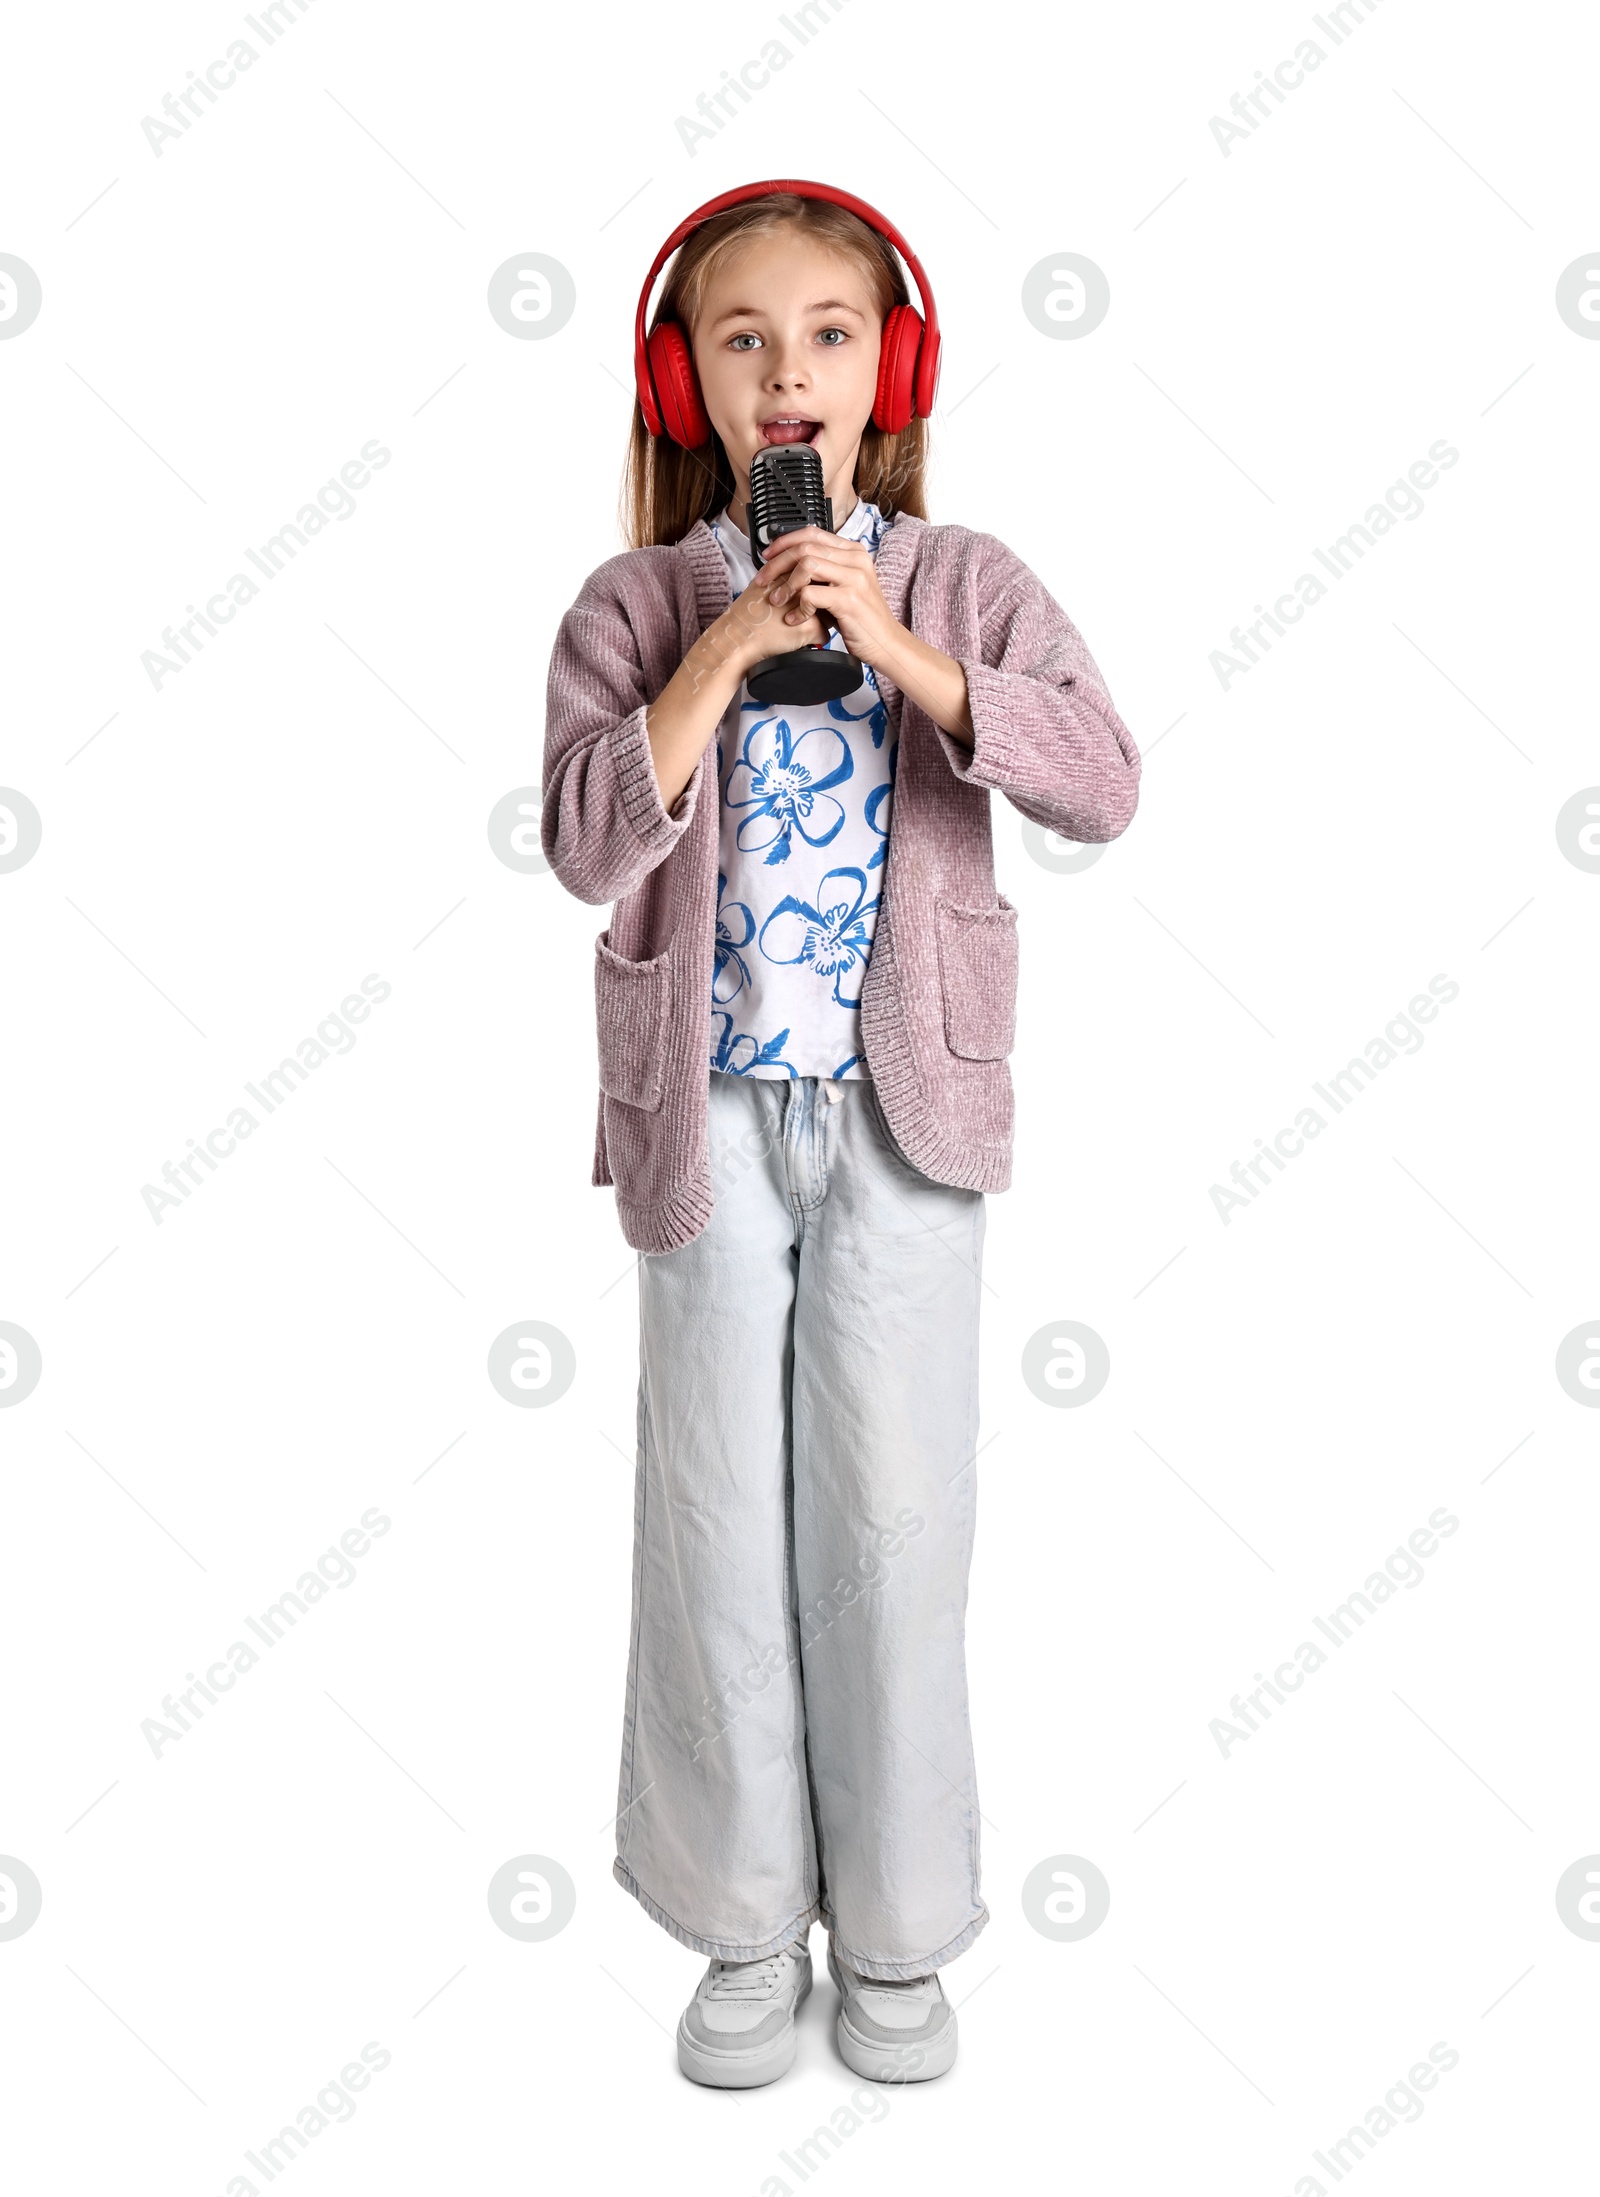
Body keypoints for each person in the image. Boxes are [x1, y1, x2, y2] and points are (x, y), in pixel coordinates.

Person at [541, 181, 1141, 2088]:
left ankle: (891, 1933)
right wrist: (719, 654)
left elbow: (1105, 781)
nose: (786, 365)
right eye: (742, 335)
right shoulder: (633, 603)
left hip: (907, 1119)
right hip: (704, 1125)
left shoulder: (960, 580)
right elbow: (577, 838)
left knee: (890, 1525)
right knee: (716, 1522)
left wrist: (900, 650)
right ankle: (738, 1923)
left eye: (826, 330)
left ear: (888, 374)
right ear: (686, 382)